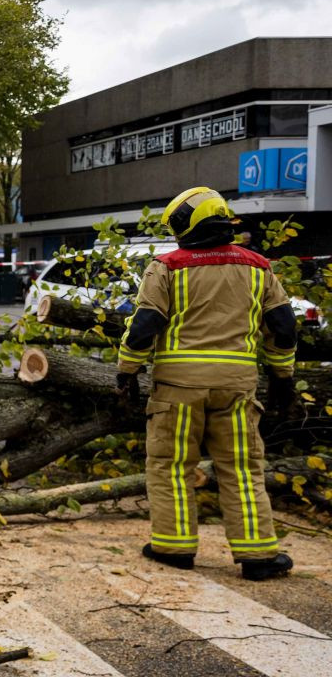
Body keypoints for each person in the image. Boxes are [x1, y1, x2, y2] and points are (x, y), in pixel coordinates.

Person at [117, 187, 296, 580]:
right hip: (237, 388)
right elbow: (283, 328)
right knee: (243, 468)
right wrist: (283, 377)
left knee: (170, 466)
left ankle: (174, 546)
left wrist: (126, 371)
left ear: (188, 225)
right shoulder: (258, 267)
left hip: (177, 389)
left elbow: (144, 328)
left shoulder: (167, 267)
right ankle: (259, 556)